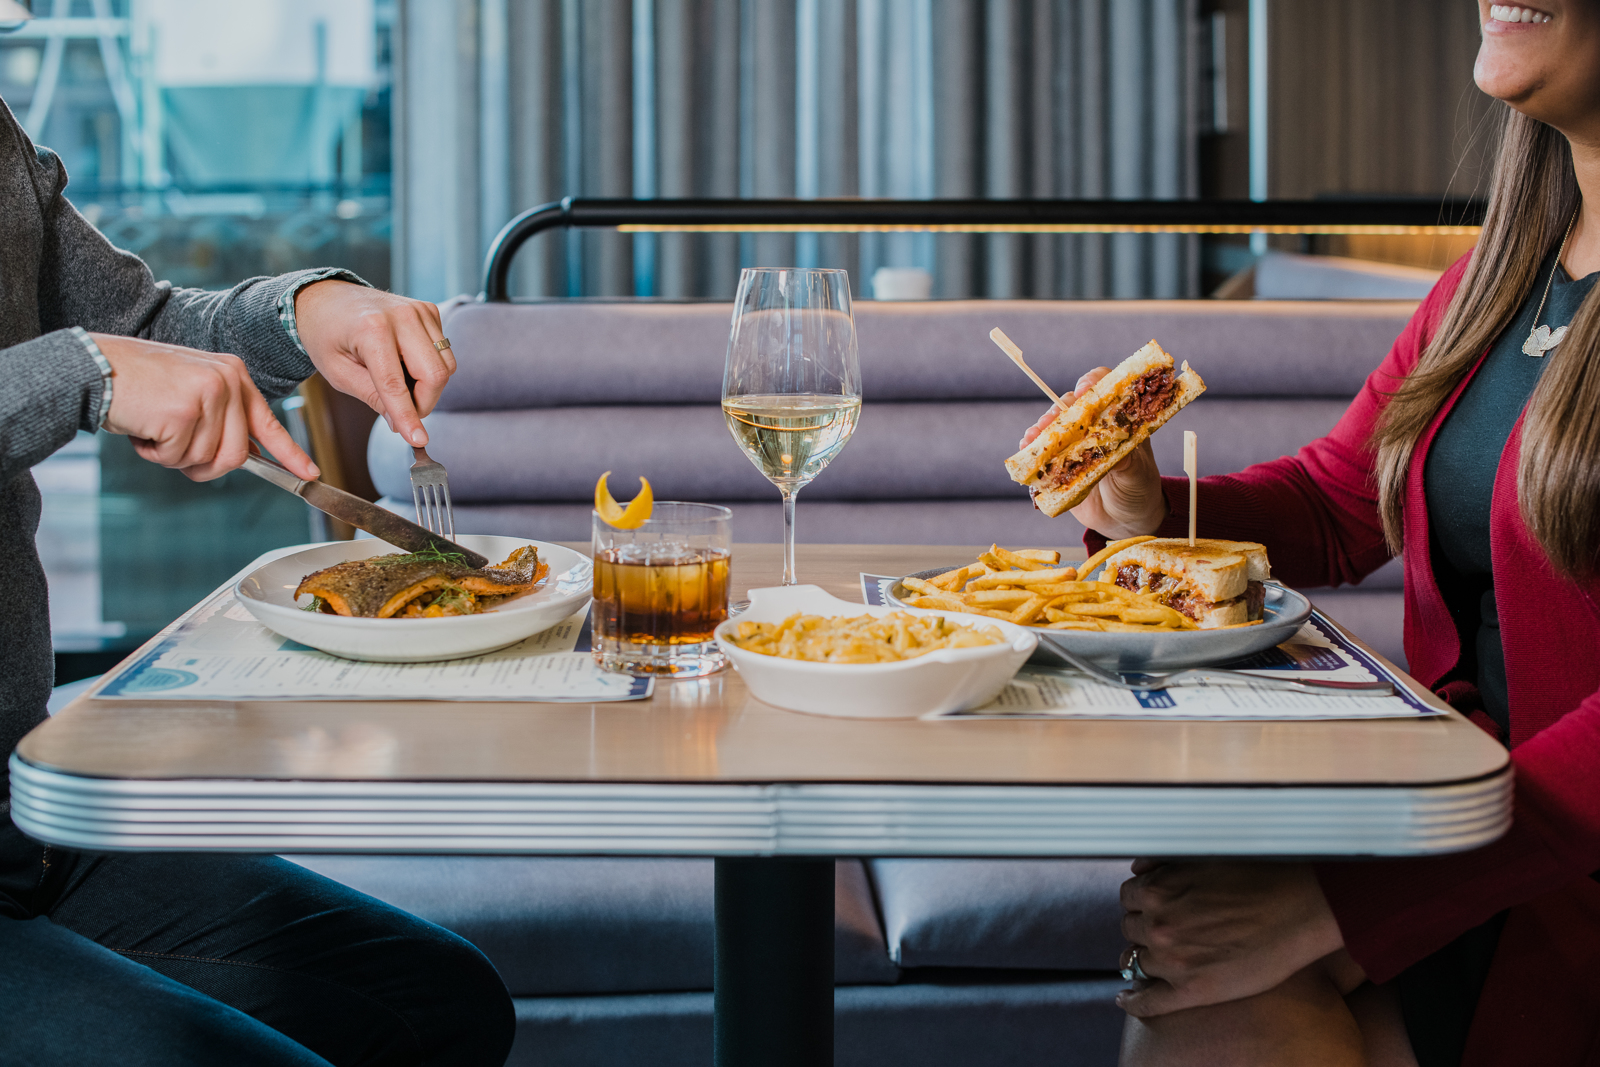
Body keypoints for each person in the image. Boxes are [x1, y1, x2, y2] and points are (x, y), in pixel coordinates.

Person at [1020, 3, 1600, 1063]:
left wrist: (1340, 905)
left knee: (1205, 993)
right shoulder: (1501, 273)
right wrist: (1153, 514)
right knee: (1188, 986)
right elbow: (1341, 503)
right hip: (1461, 816)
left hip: (1550, 866)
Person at [0, 97, 516, 1065]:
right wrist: (80, 371)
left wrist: (309, 309)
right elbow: (93, 360)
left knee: (445, 1005)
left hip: (27, 813)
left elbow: (143, 326)